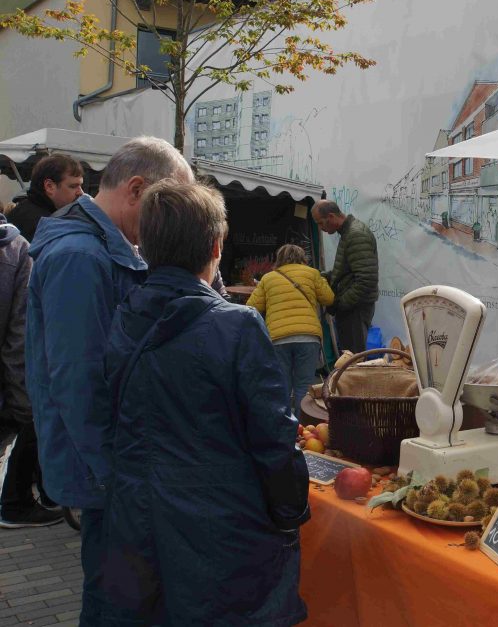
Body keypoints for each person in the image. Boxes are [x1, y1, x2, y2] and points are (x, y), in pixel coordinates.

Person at [102, 179, 309, 625]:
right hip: (222, 535)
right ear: (217, 246)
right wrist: (291, 514)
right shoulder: (236, 326)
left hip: (139, 525)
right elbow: (275, 439)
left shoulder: (125, 314)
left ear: (146, 244)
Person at [24, 136, 194, 625]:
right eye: (168, 207)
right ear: (137, 189)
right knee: (112, 603)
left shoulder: (103, 247)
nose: (170, 223)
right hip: (107, 471)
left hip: (114, 466)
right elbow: (78, 382)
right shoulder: (81, 256)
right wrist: (111, 474)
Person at [0, 212, 61, 528]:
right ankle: (16, 503)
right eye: (74, 185)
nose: (80, 193)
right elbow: (17, 334)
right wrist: (20, 398)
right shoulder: (15, 247)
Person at [248, 243, 334, 414]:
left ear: (279, 259)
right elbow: (329, 298)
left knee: (282, 387)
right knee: (303, 386)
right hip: (308, 338)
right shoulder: (312, 273)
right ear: (303, 258)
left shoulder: (268, 278)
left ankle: (283, 429)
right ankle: (302, 431)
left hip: (278, 338)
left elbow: (252, 306)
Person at [312, 200, 379, 354]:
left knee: (352, 360)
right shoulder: (347, 233)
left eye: (321, 223)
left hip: (355, 310)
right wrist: (314, 275)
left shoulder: (356, 235)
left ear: (331, 216)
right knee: (349, 358)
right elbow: (344, 272)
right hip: (351, 308)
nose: (321, 229)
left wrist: (340, 304)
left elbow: (366, 280)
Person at [9, 154, 85, 242]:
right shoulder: (42, 225)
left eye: (80, 186)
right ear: (49, 186)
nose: (81, 192)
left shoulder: (23, 211)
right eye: (73, 186)